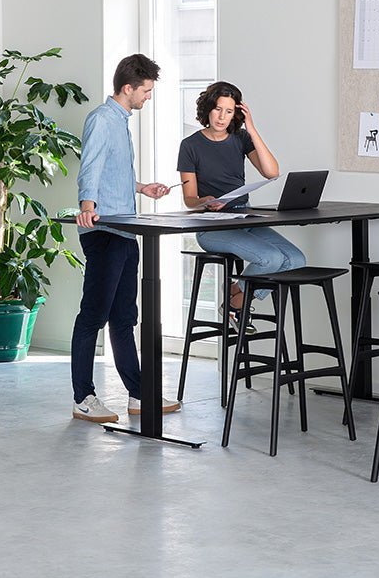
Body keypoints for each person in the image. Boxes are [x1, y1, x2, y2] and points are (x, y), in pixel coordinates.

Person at [71, 54, 182, 424]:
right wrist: (87, 206)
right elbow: (90, 167)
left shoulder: (120, 122)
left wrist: (141, 187)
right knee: (93, 316)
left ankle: (139, 394)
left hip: (125, 229)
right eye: (146, 91)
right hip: (104, 231)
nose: (148, 97)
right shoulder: (102, 119)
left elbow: (111, 171)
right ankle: (83, 398)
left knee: (124, 317)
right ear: (128, 87)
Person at [177, 81, 305, 330]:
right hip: (210, 226)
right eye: (217, 109)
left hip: (243, 218)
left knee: (296, 260)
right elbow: (189, 199)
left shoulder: (241, 138)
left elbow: (272, 172)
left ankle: (235, 299)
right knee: (270, 258)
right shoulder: (190, 145)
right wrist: (205, 201)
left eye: (228, 111)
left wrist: (252, 129)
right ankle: (237, 304)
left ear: (236, 113)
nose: (221, 117)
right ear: (208, 109)